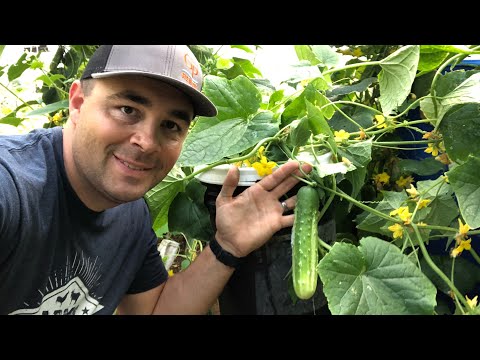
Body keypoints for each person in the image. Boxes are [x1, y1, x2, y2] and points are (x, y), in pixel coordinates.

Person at [0, 45, 312, 315]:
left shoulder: (131, 215)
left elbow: (154, 310)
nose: (148, 142)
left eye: (171, 125)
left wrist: (227, 245)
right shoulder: (13, 187)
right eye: (127, 109)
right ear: (78, 103)